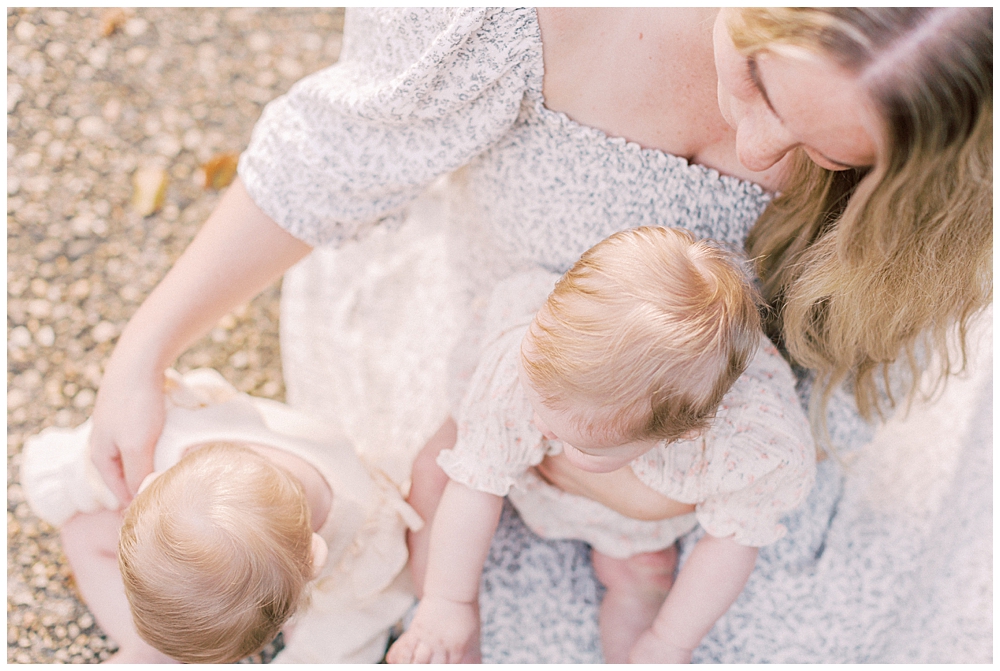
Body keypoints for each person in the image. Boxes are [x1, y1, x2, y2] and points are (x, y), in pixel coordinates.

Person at [87, 7, 991, 663]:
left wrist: (662, 487)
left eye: (829, 157)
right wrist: (146, 347)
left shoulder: (940, 182)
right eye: (757, 80)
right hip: (523, 361)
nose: (759, 152)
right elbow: (330, 154)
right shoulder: (517, 17)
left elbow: (850, 368)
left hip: (699, 426)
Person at [387, 226, 815, 664]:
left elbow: (732, 542)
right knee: (435, 476)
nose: (541, 427)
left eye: (583, 444)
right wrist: (449, 601)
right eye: (540, 403)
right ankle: (441, 633)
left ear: (678, 434)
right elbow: (474, 485)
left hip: (627, 520)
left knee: (640, 574)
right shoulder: (527, 360)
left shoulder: (751, 443)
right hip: (508, 440)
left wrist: (669, 642)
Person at [22, 368, 421, 664]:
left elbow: (361, 620)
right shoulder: (169, 433)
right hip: (253, 551)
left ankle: (155, 654)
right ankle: (151, 651)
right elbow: (91, 458)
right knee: (80, 530)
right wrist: (59, 483)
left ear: (314, 562)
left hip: (315, 568)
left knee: (339, 625)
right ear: (147, 486)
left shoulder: (361, 530)